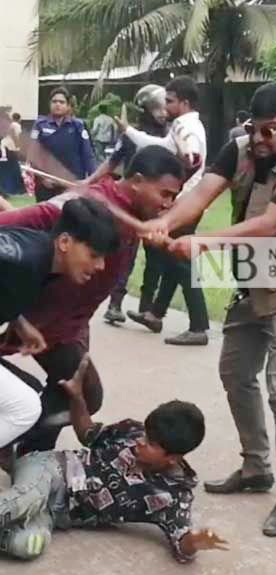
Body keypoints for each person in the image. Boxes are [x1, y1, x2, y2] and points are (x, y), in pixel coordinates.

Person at [140, 81, 276, 537]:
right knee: (235, 371)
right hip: (254, 280)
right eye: (256, 128)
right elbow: (202, 192)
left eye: (271, 130)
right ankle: (256, 468)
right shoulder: (243, 147)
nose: (262, 139)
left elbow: (271, 225)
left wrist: (202, 243)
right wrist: (166, 221)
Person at [0, 147, 185, 455]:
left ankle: (28, 454)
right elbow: (18, 221)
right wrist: (20, 316)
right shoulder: (84, 206)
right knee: (49, 397)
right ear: (137, 181)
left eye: (172, 198)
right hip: (39, 318)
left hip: (63, 326)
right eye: (163, 194)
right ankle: (20, 446)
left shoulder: (136, 215)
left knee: (76, 393)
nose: (167, 205)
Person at [0, 354, 228, 562]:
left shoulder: (174, 496)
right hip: (50, 469)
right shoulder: (131, 431)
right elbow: (88, 433)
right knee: (27, 498)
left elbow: (181, 543)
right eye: (146, 435)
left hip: (55, 513)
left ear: (172, 458)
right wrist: (77, 397)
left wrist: (195, 542)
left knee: (28, 544)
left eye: (150, 443)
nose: (141, 441)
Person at [0, 199, 119, 453]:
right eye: (94, 255)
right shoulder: (24, 263)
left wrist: (19, 321)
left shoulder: (39, 258)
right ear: (65, 242)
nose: (100, 266)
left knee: (28, 390)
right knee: (24, 406)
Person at [119, 77, 211, 346]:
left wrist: (179, 184)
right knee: (173, 259)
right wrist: (129, 131)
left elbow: (192, 159)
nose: (165, 106)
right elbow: (158, 146)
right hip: (184, 202)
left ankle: (199, 326)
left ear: (184, 102)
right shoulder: (182, 125)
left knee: (181, 263)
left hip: (184, 204)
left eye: (170, 101)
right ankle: (156, 313)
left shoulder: (187, 127)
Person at [93, 84, 170, 325]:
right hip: (133, 203)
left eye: (164, 105)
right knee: (125, 252)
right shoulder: (132, 134)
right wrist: (89, 181)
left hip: (159, 205)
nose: (162, 111)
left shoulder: (171, 135)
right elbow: (112, 161)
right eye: (157, 106)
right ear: (146, 108)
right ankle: (115, 303)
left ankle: (146, 308)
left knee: (156, 256)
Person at [30, 88, 94, 202]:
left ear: (68, 106)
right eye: (54, 101)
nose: (57, 104)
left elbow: (87, 154)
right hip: (47, 184)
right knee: (46, 217)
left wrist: (91, 180)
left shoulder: (78, 126)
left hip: (72, 183)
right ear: (50, 104)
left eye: (61, 102)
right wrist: (43, 178)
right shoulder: (40, 125)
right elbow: (33, 153)